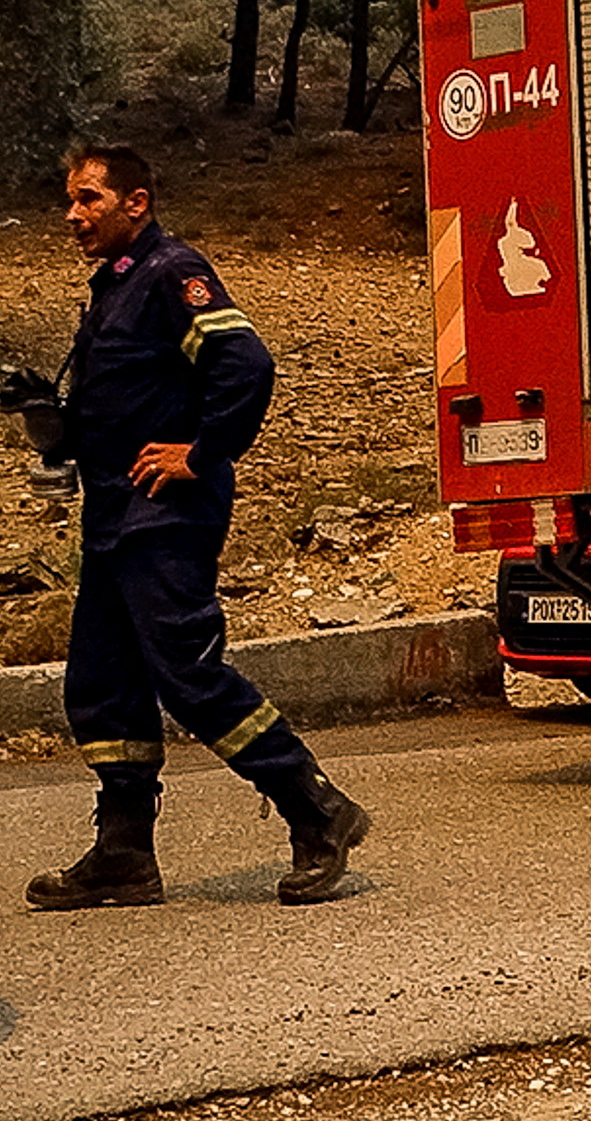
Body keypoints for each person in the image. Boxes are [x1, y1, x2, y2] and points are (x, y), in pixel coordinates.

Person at [25, 143, 373, 913]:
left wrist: (201, 451)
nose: (72, 215)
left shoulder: (170, 273)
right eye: (70, 200)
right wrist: (57, 423)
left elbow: (245, 365)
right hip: (113, 515)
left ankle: (319, 812)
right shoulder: (114, 288)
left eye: (88, 199)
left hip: (166, 514)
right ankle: (122, 855)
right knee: (101, 683)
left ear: (135, 202)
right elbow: (127, 397)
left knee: (188, 675)